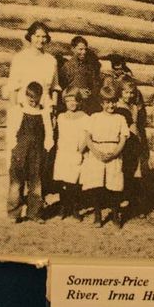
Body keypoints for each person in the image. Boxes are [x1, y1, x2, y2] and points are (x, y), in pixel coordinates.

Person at [81, 85, 129, 228]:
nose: (111, 105)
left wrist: (115, 153)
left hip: (113, 152)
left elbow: (123, 138)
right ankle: (97, 215)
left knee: (114, 185)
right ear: (101, 103)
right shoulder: (94, 117)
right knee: (97, 185)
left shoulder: (120, 118)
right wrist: (96, 152)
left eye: (113, 101)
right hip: (97, 152)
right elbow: (88, 138)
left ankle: (115, 214)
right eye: (107, 102)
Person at [6, 81, 54, 223]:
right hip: (20, 150)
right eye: (30, 99)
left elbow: (49, 133)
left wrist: (47, 147)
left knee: (36, 182)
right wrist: (14, 148)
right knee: (16, 182)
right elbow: (11, 131)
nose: (33, 102)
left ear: (40, 97)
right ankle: (14, 213)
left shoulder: (44, 113)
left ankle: (34, 213)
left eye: (36, 99)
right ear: (26, 96)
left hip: (37, 152)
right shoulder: (18, 111)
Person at [116, 77, 150, 218]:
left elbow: (139, 125)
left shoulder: (135, 107)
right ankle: (121, 204)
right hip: (125, 143)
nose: (129, 95)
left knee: (137, 172)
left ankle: (135, 204)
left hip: (136, 141)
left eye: (131, 93)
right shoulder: (118, 107)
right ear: (120, 93)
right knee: (124, 171)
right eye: (126, 92)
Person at [52, 87, 89, 221]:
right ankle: (63, 206)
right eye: (68, 101)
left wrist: (81, 150)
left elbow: (87, 136)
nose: (72, 104)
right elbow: (58, 135)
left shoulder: (84, 117)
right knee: (63, 181)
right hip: (63, 152)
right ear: (64, 102)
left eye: (74, 101)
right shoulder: (61, 117)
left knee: (74, 182)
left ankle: (74, 207)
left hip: (76, 152)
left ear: (79, 101)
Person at [58, 36, 101, 114]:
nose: (84, 52)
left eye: (85, 49)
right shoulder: (67, 67)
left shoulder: (89, 66)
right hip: (72, 105)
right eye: (80, 49)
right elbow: (62, 88)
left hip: (86, 105)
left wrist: (90, 92)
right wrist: (77, 91)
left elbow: (94, 84)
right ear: (73, 49)